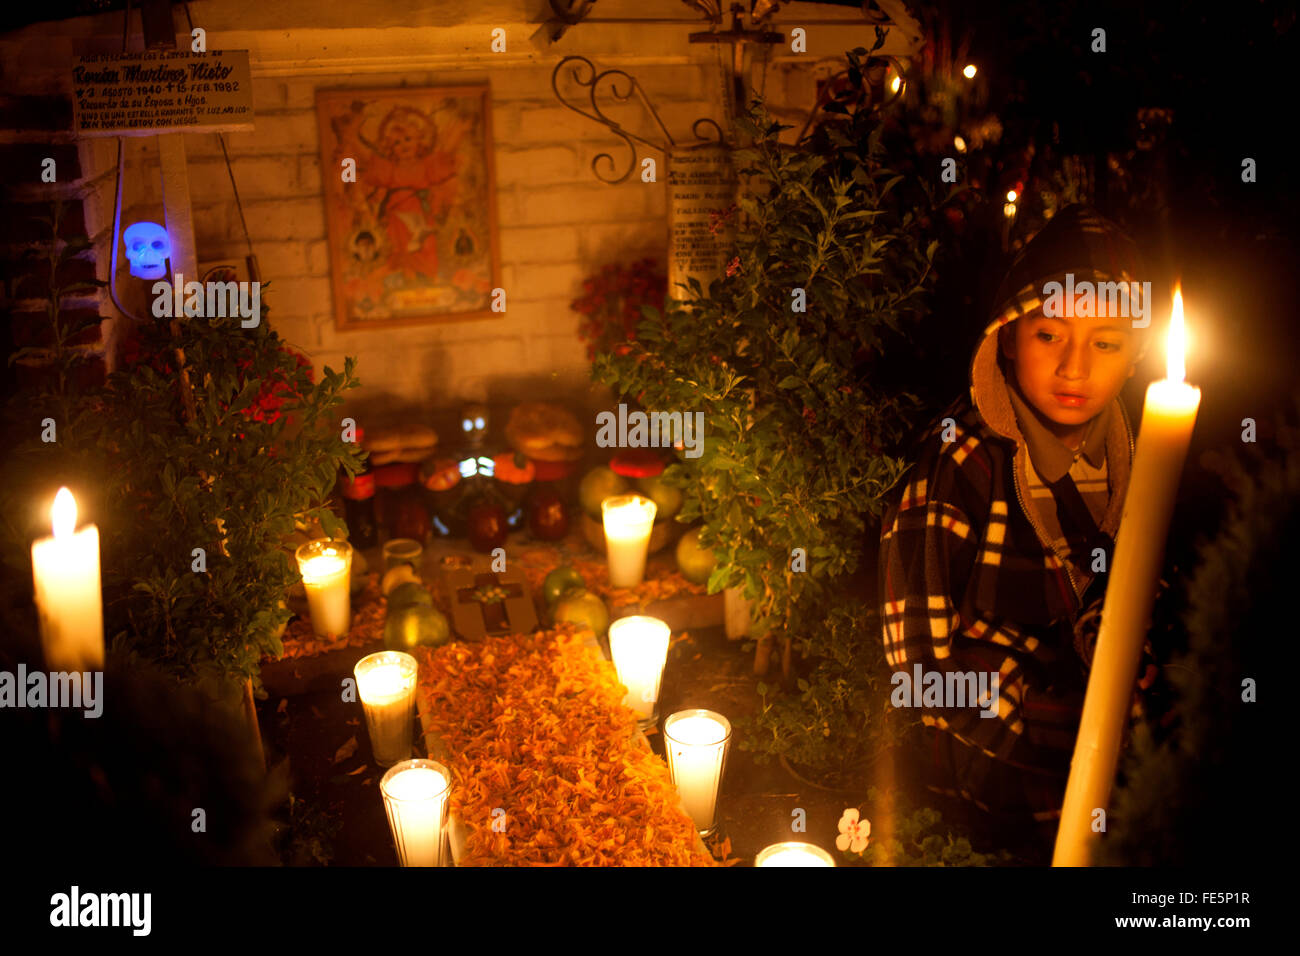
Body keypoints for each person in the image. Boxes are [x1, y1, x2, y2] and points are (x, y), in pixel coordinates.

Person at [878, 205, 1158, 851]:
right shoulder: (962, 464)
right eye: (1050, 336)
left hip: (1124, 781)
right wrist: (1059, 721)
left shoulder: (1137, 457)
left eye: (1106, 343)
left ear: (1137, 353)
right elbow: (917, 663)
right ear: (1008, 335)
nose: (1075, 368)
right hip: (1002, 792)